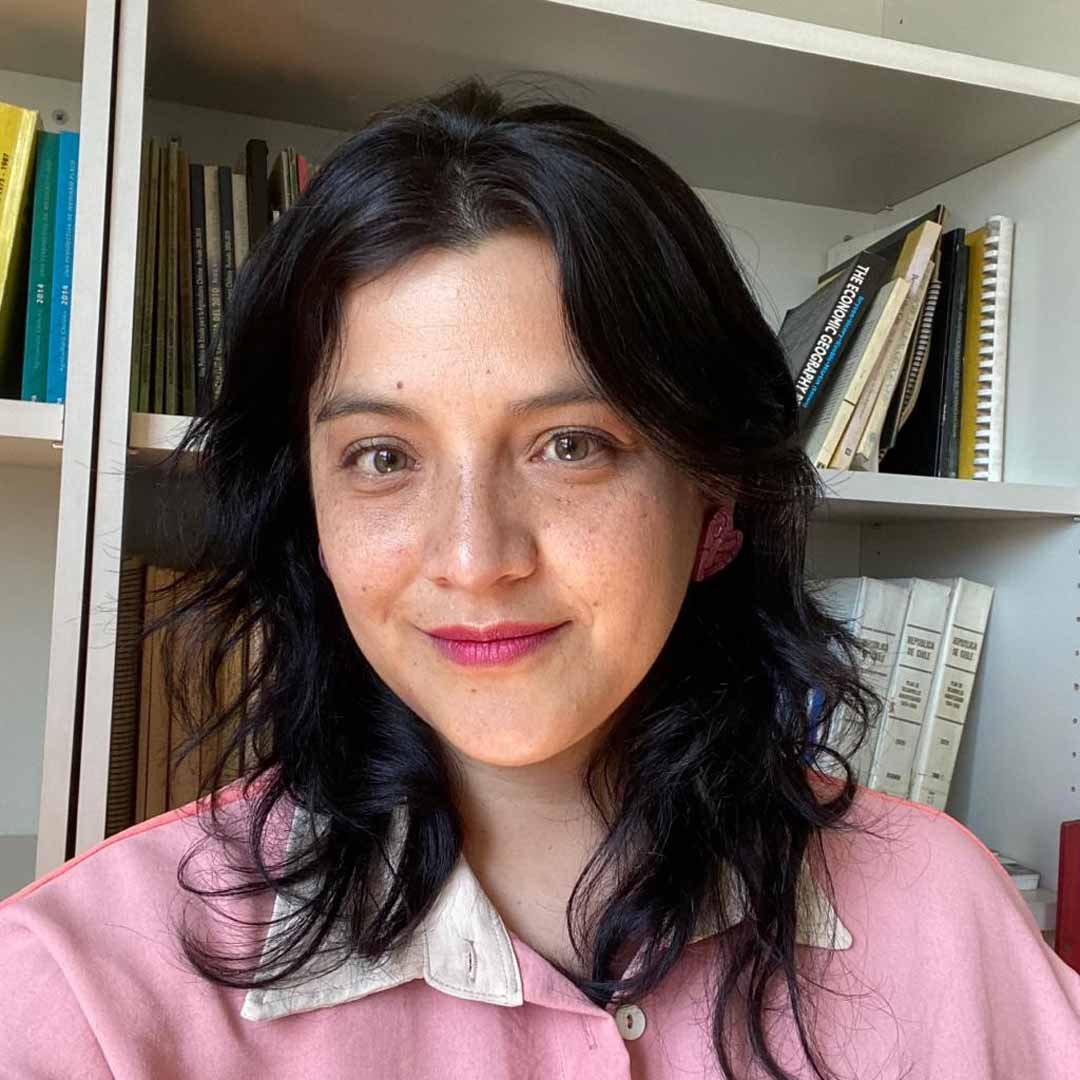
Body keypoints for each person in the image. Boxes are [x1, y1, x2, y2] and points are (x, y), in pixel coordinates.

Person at [2, 75, 1079, 1080]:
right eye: (382, 457)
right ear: (311, 515)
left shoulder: (944, 910)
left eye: (571, 445)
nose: (476, 560)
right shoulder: (81, 993)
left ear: (717, 502)